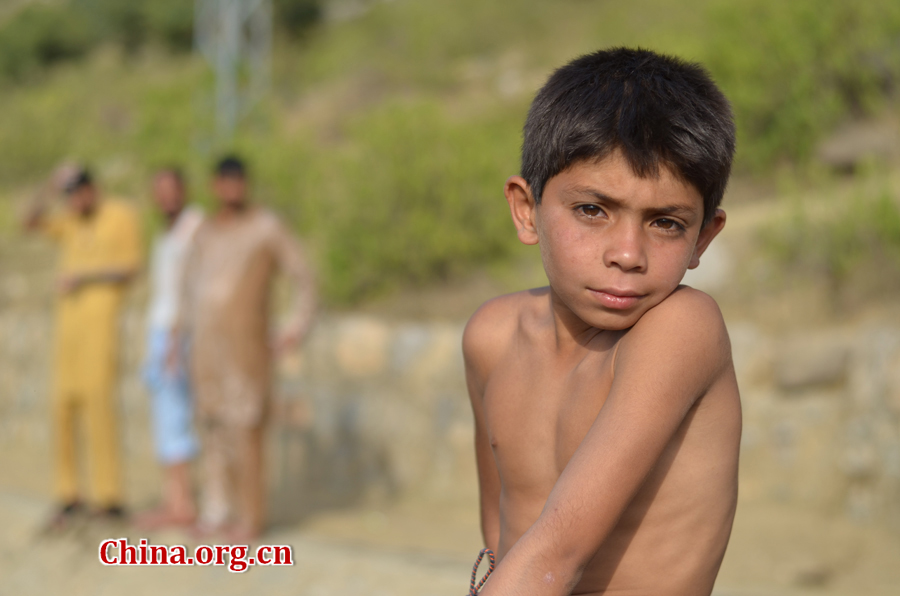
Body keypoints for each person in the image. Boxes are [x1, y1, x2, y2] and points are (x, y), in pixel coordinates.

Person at [463, 48, 740, 595]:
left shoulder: (682, 329)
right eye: (593, 210)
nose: (627, 253)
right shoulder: (491, 338)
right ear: (526, 209)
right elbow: (503, 536)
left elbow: (555, 555)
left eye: (665, 222)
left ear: (703, 237)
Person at [176, 156, 315, 541]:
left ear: (246, 184)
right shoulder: (204, 232)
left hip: (246, 350)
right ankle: (217, 512)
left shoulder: (266, 228)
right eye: (224, 180)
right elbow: (187, 288)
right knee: (212, 427)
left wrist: (293, 328)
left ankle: (250, 519)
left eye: (238, 180)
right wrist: (179, 339)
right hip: (205, 349)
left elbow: (303, 276)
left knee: (246, 430)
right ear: (215, 185)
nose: (231, 187)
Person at [23, 165, 143, 528]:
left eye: (79, 192)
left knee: (98, 408)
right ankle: (69, 494)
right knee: (62, 409)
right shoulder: (70, 221)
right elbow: (29, 220)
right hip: (68, 334)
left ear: (93, 188)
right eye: (69, 195)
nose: (75, 201)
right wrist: (51, 182)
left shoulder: (120, 215)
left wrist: (85, 277)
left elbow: (131, 267)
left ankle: (109, 497)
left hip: (100, 332)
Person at [134, 168, 203, 530]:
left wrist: (176, 338)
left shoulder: (194, 226)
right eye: (158, 190)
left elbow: (189, 288)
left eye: (170, 189)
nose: (165, 197)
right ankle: (174, 499)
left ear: (183, 190)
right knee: (165, 416)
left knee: (175, 415)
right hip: (161, 330)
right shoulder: (165, 232)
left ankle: (184, 503)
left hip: (178, 333)